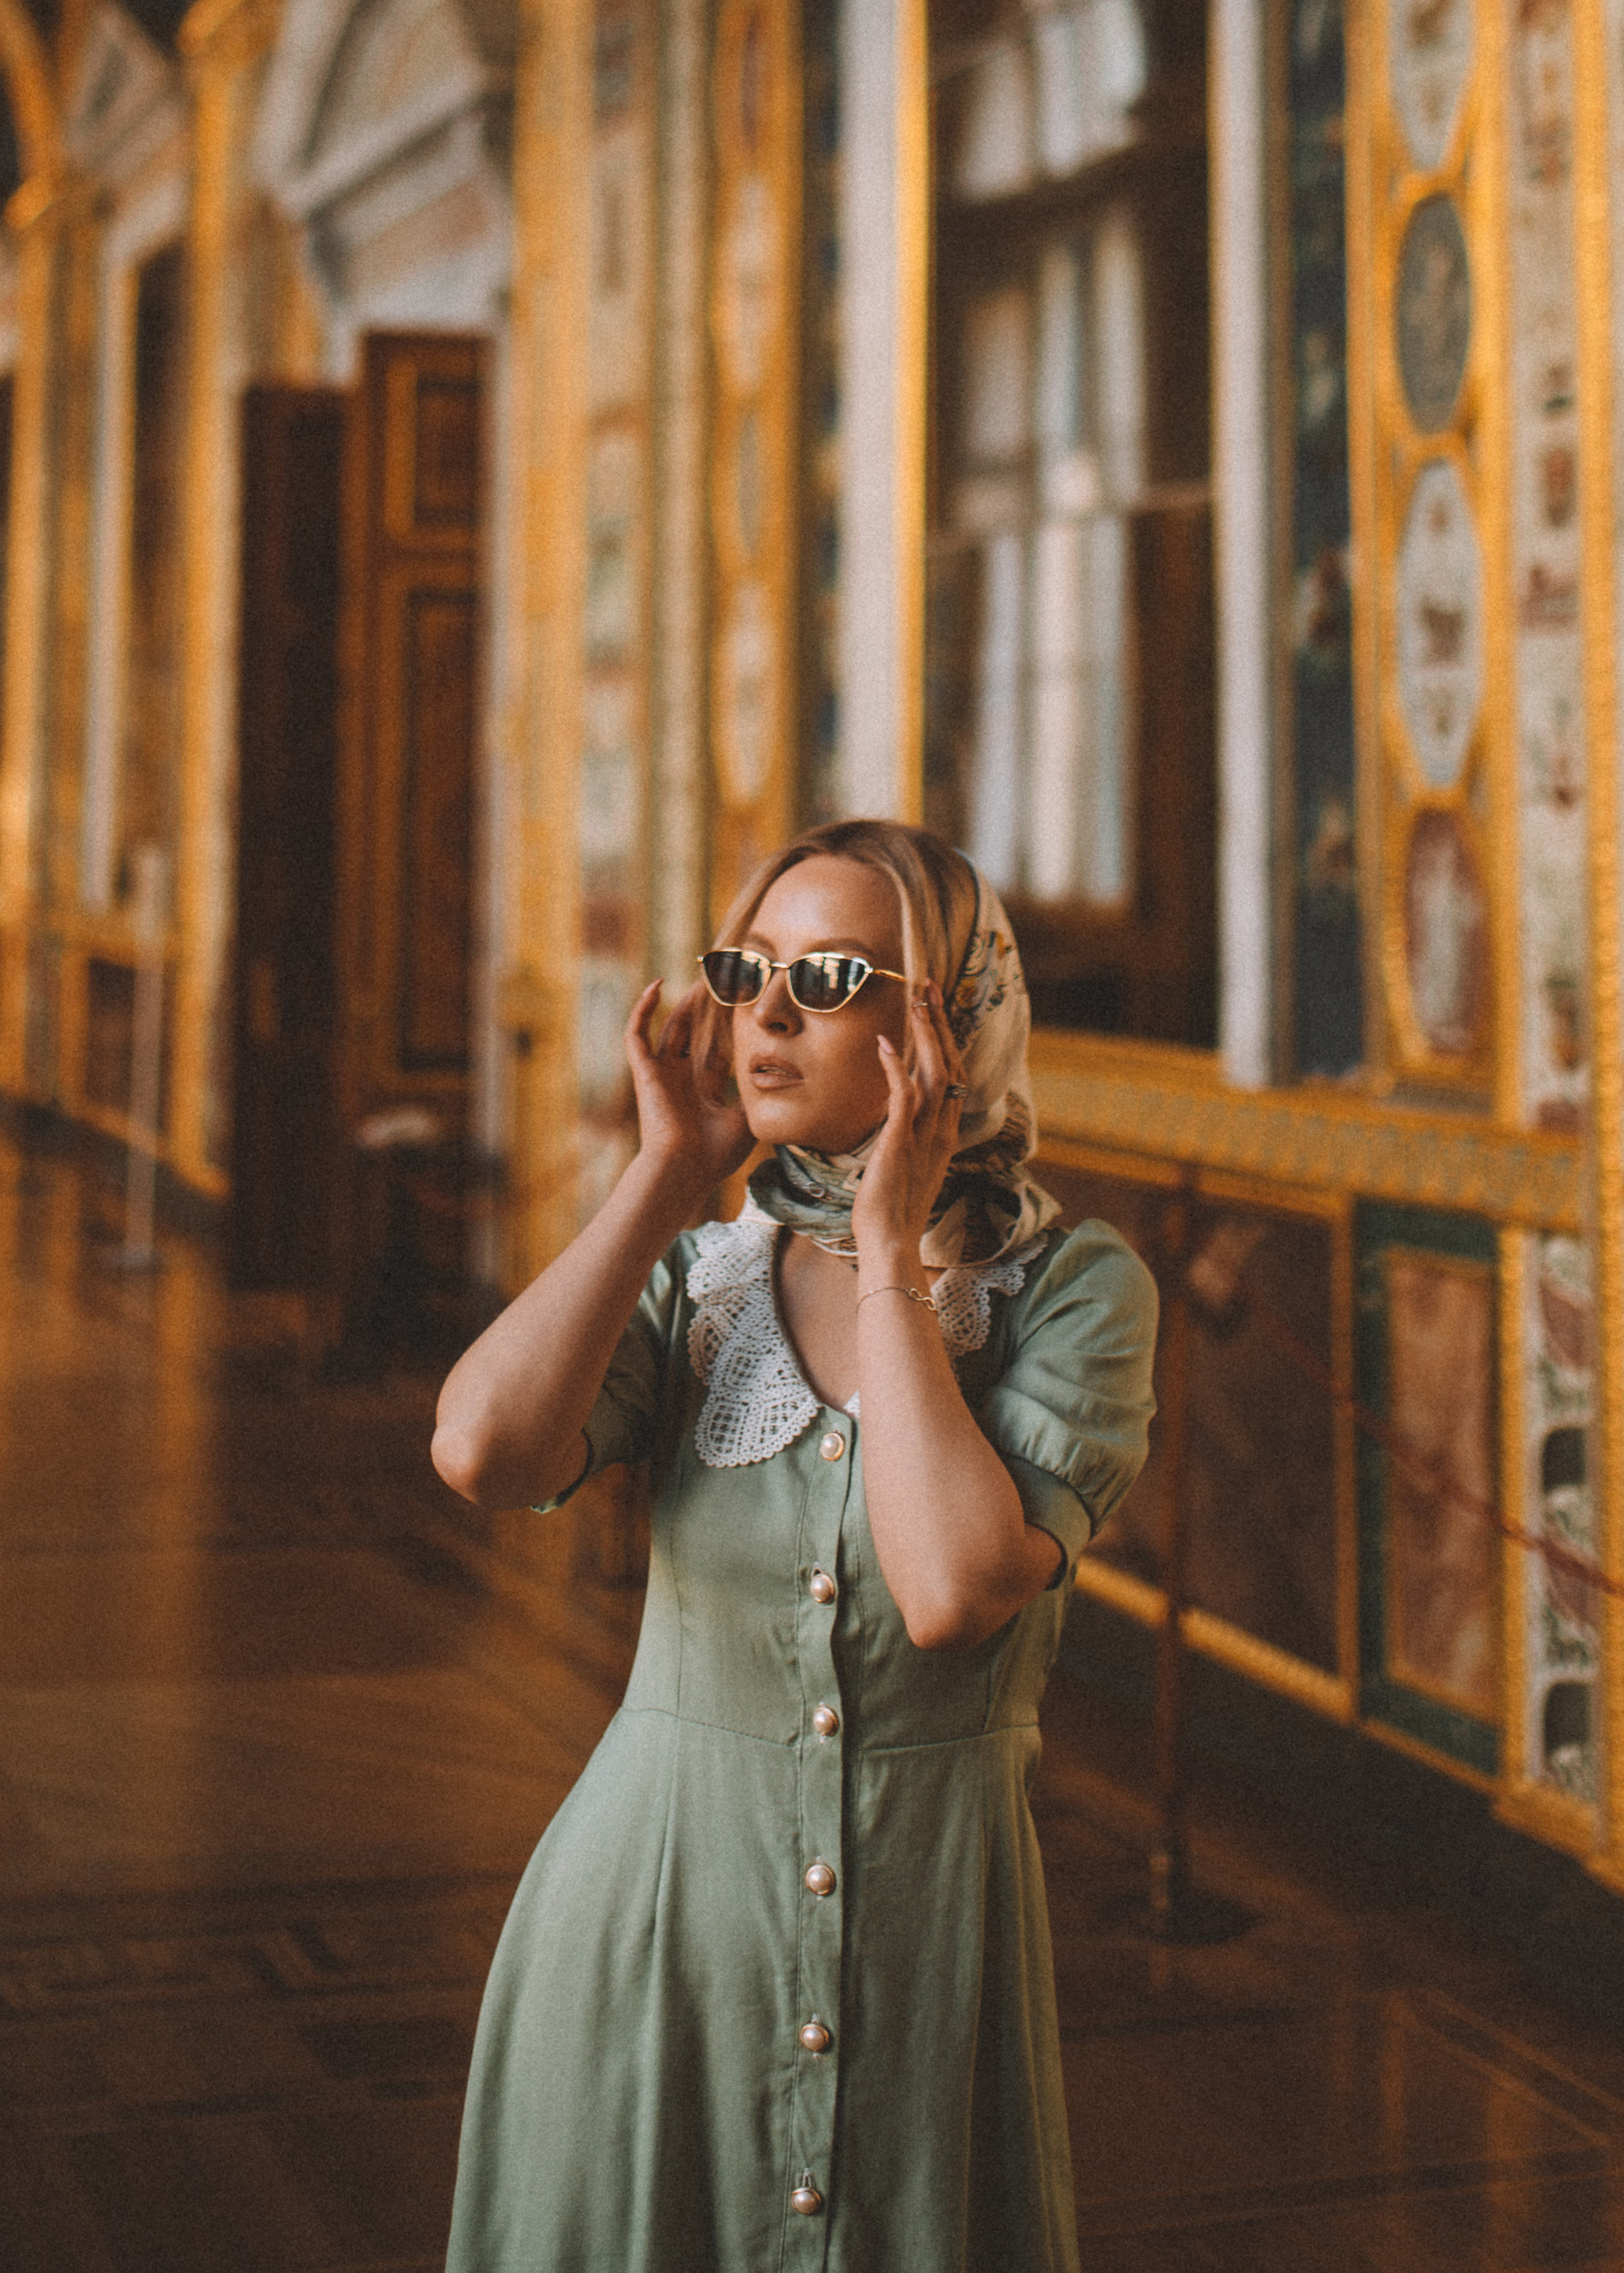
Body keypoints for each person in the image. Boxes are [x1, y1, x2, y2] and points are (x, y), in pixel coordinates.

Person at [432, 817, 1158, 2272]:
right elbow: (482, 1452)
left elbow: (952, 1589)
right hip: (650, 1934)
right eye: (743, 968)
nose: (762, 1012)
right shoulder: (702, 1277)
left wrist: (888, 1259)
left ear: (942, 1018)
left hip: (927, 1948)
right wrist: (663, 1176)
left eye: (826, 975)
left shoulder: (1076, 1290)